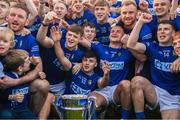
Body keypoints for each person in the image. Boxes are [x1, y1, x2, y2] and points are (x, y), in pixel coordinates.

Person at [127, 13, 180, 119]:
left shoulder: (177, 48)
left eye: (166, 29)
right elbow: (130, 44)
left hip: (173, 98)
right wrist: (140, 21)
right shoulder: (153, 46)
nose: (162, 32)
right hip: (155, 92)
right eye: (159, 29)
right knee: (137, 81)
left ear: (174, 34)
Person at [3, 3, 50, 118]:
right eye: (12, 15)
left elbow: (39, 68)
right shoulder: (1, 32)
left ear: (26, 22)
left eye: (20, 16)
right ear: (6, 18)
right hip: (2, 79)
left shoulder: (30, 39)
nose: (15, 18)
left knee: (42, 84)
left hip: (20, 83)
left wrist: (16, 82)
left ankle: (27, 115)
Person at [50, 26, 110, 95]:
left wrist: (106, 75)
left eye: (91, 61)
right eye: (85, 60)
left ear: (96, 64)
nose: (87, 63)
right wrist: (57, 42)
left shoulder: (95, 77)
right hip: (66, 101)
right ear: (81, 61)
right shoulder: (75, 69)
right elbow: (62, 58)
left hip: (83, 105)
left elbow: (102, 84)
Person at [0, 49, 37, 119]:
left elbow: (33, 69)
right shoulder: (7, 79)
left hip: (23, 110)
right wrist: (12, 97)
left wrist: (40, 73)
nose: (30, 62)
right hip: (8, 110)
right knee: (6, 115)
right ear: (20, 68)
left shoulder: (25, 74)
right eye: (27, 61)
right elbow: (1, 95)